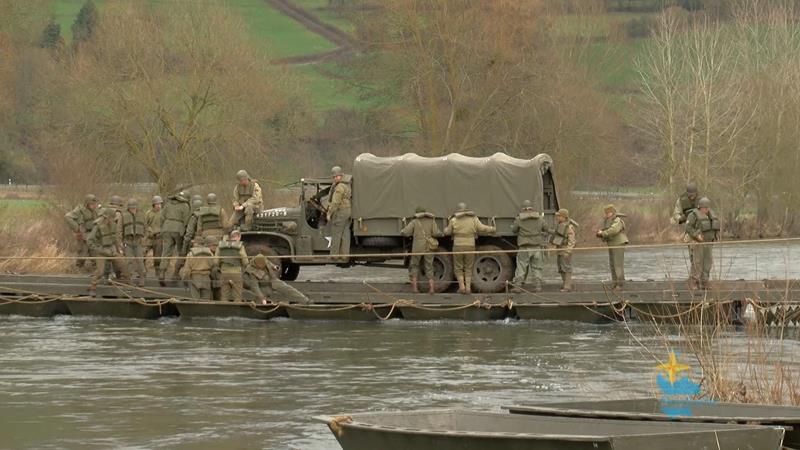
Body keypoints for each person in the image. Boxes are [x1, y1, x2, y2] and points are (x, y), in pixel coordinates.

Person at [443, 202, 496, 294]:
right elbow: (482, 228)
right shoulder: (473, 219)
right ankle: (468, 288)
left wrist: (446, 226)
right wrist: (492, 228)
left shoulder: (454, 220)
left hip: (458, 246)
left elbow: (447, 232)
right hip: (470, 245)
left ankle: (461, 287)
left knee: (458, 267)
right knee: (469, 267)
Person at [87, 208, 129, 296]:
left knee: (123, 264)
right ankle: (92, 287)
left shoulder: (114, 224)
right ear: (106, 217)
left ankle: (128, 283)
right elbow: (90, 241)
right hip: (101, 251)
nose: (112, 220)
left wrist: (119, 250)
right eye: (111, 218)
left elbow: (115, 239)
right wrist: (98, 249)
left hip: (111, 249)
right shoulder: (97, 226)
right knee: (100, 271)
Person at [510, 200, 550, 293]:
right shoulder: (539, 218)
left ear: (523, 208)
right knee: (537, 267)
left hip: (524, 247)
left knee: (521, 266)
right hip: (537, 247)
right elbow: (546, 228)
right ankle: (538, 286)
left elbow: (514, 230)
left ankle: (518, 286)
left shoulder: (519, 219)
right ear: (532, 208)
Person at [400, 206, 441, 294]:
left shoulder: (414, 221)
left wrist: (402, 231)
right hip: (429, 247)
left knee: (414, 266)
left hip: (417, 247)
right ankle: (431, 289)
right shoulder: (431, 221)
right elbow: (436, 233)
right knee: (429, 267)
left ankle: (414, 289)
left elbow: (406, 232)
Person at [243, 254, 310, 305]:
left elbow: (269, 263)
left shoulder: (263, 259)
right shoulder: (251, 271)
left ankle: (305, 300)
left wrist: (274, 267)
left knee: (288, 289)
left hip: (273, 280)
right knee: (260, 300)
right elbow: (255, 287)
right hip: (264, 286)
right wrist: (262, 298)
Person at [685, 197, 720, 290]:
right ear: (700, 207)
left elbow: (715, 226)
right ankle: (694, 282)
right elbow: (688, 228)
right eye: (705, 208)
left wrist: (716, 235)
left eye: (708, 207)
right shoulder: (693, 215)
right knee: (697, 262)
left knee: (708, 262)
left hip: (709, 243)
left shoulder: (711, 215)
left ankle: (705, 281)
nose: (707, 209)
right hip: (697, 243)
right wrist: (696, 235)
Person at [158, 191, 191, 285]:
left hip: (166, 227)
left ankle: (162, 273)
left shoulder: (168, 204)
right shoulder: (185, 206)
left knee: (166, 251)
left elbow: (161, 217)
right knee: (181, 251)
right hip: (178, 229)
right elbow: (186, 221)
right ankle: (176, 273)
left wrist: (163, 227)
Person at [596, 204, 628, 292]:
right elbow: (608, 230)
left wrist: (602, 233)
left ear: (611, 212)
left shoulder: (617, 220)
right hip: (612, 244)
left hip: (618, 243)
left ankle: (620, 284)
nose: (605, 215)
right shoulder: (610, 221)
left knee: (617, 264)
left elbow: (613, 230)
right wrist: (601, 233)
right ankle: (615, 283)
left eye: (607, 213)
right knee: (612, 264)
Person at [65, 194, 99, 271]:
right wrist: (77, 228)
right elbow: (68, 217)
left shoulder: (96, 210)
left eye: (95, 204)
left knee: (95, 254)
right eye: (92, 204)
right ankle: (77, 270)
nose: (94, 205)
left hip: (93, 235)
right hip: (84, 234)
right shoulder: (80, 209)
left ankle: (97, 272)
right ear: (87, 203)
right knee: (82, 254)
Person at [119, 198, 147, 286]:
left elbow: (145, 228)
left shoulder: (141, 215)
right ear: (128, 208)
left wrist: (144, 239)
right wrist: (120, 243)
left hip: (138, 241)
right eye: (131, 208)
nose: (133, 209)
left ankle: (142, 277)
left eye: (134, 208)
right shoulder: (123, 216)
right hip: (128, 241)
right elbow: (119, 230)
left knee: (140, 260)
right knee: (128, 261)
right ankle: (129, 278)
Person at [179, 236, 217, 301]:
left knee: (195, 300)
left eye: (194, 243)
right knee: (206, 300)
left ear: (196, 243)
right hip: (206, 278)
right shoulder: (210, 253)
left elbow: (187, 270)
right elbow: (213, 266)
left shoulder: (191, 254)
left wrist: (185, 279)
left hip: (195, 278)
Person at [327, 166, 352, 261]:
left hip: (340, 211)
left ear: (341, 176)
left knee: (336, 233)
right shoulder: (347, 184)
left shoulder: (340, 187)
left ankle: (334, 255)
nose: (335, 178)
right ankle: (345, 255)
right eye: (334, 177)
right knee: (345, 233)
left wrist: (329, 213)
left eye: (337, 176)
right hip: (348, 211)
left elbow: (335, 202)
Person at [215, 230, 248, 302]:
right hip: (236, 273)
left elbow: (216, 262)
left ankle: (224, 311)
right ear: (238, 237)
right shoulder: (240, 246)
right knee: (237, 295)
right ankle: (236, 311)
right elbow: (245, 261)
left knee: (224, 295)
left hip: (224, 273)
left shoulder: (220, 246)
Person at [551, 209, 577, 292]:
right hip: (559, 250)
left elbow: (572, 241)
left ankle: (567, 286)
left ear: (564, 217)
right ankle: (566, 284)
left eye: (559, 216)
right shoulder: (560, 225)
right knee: (561, 268)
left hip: (565, 250)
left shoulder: (569, 227)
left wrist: (568, 251)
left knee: (566, 268)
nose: (557, 217)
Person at [144, 196, 163, 275]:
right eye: (157, 204)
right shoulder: (148, 213)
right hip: (149, 237)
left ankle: (157, 273)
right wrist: (149, 231)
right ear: (153, 205)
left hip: (159, 238)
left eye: (160, 204)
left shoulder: (163, 213)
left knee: (158, 258)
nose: (159, 206)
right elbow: (145, 224)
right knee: (143, 253)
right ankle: (143, 271)